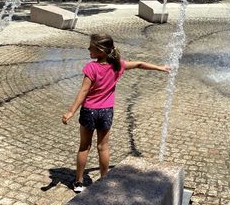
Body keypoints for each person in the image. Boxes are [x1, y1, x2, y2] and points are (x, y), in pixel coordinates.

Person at [61, 33, 170, 193]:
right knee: (103, 147)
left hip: (89, 111)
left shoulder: (91, 67)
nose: (88, 49)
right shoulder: (118, 65)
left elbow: (83, 91)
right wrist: (160, 68)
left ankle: (78, 182)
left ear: (100, 50)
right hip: (106, 111)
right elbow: (139, 64)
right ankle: (104, 181)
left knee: (84, 147)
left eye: (91, 46)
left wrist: (70, 112)